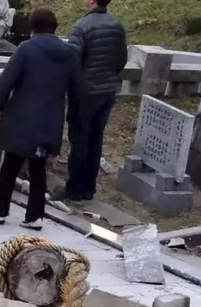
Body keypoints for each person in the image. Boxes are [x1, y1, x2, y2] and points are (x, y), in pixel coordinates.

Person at [0, 9, 81, 231]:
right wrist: (74, 116)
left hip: (23, 117)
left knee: (10, 164)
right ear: (55, 26)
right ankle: (35, 217)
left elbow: (6, 81)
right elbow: (77, 89)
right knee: (39, 169)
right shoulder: (69, 53)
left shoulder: (26, 49)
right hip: (51, 119)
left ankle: (0, 211)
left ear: (32, 27)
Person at [64, 0, 127, 201]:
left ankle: (75, 187)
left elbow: (72, 61)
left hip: (84, 93)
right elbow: (121, 60)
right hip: (107, 91)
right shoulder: (117, 25)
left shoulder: (81, 27)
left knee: (80, 138)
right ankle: (89, 188)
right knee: (96, 138)